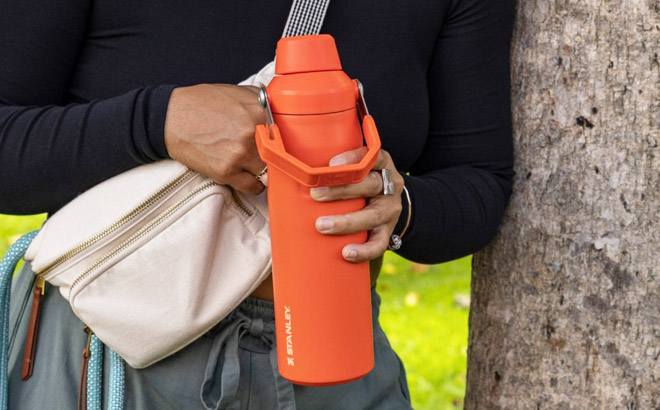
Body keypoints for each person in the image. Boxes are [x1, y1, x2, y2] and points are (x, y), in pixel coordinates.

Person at [0, 0, 515, 409]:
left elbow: (479, 181)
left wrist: (399, 206)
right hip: (110, 353)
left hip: (336, 355)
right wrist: (159, 121)